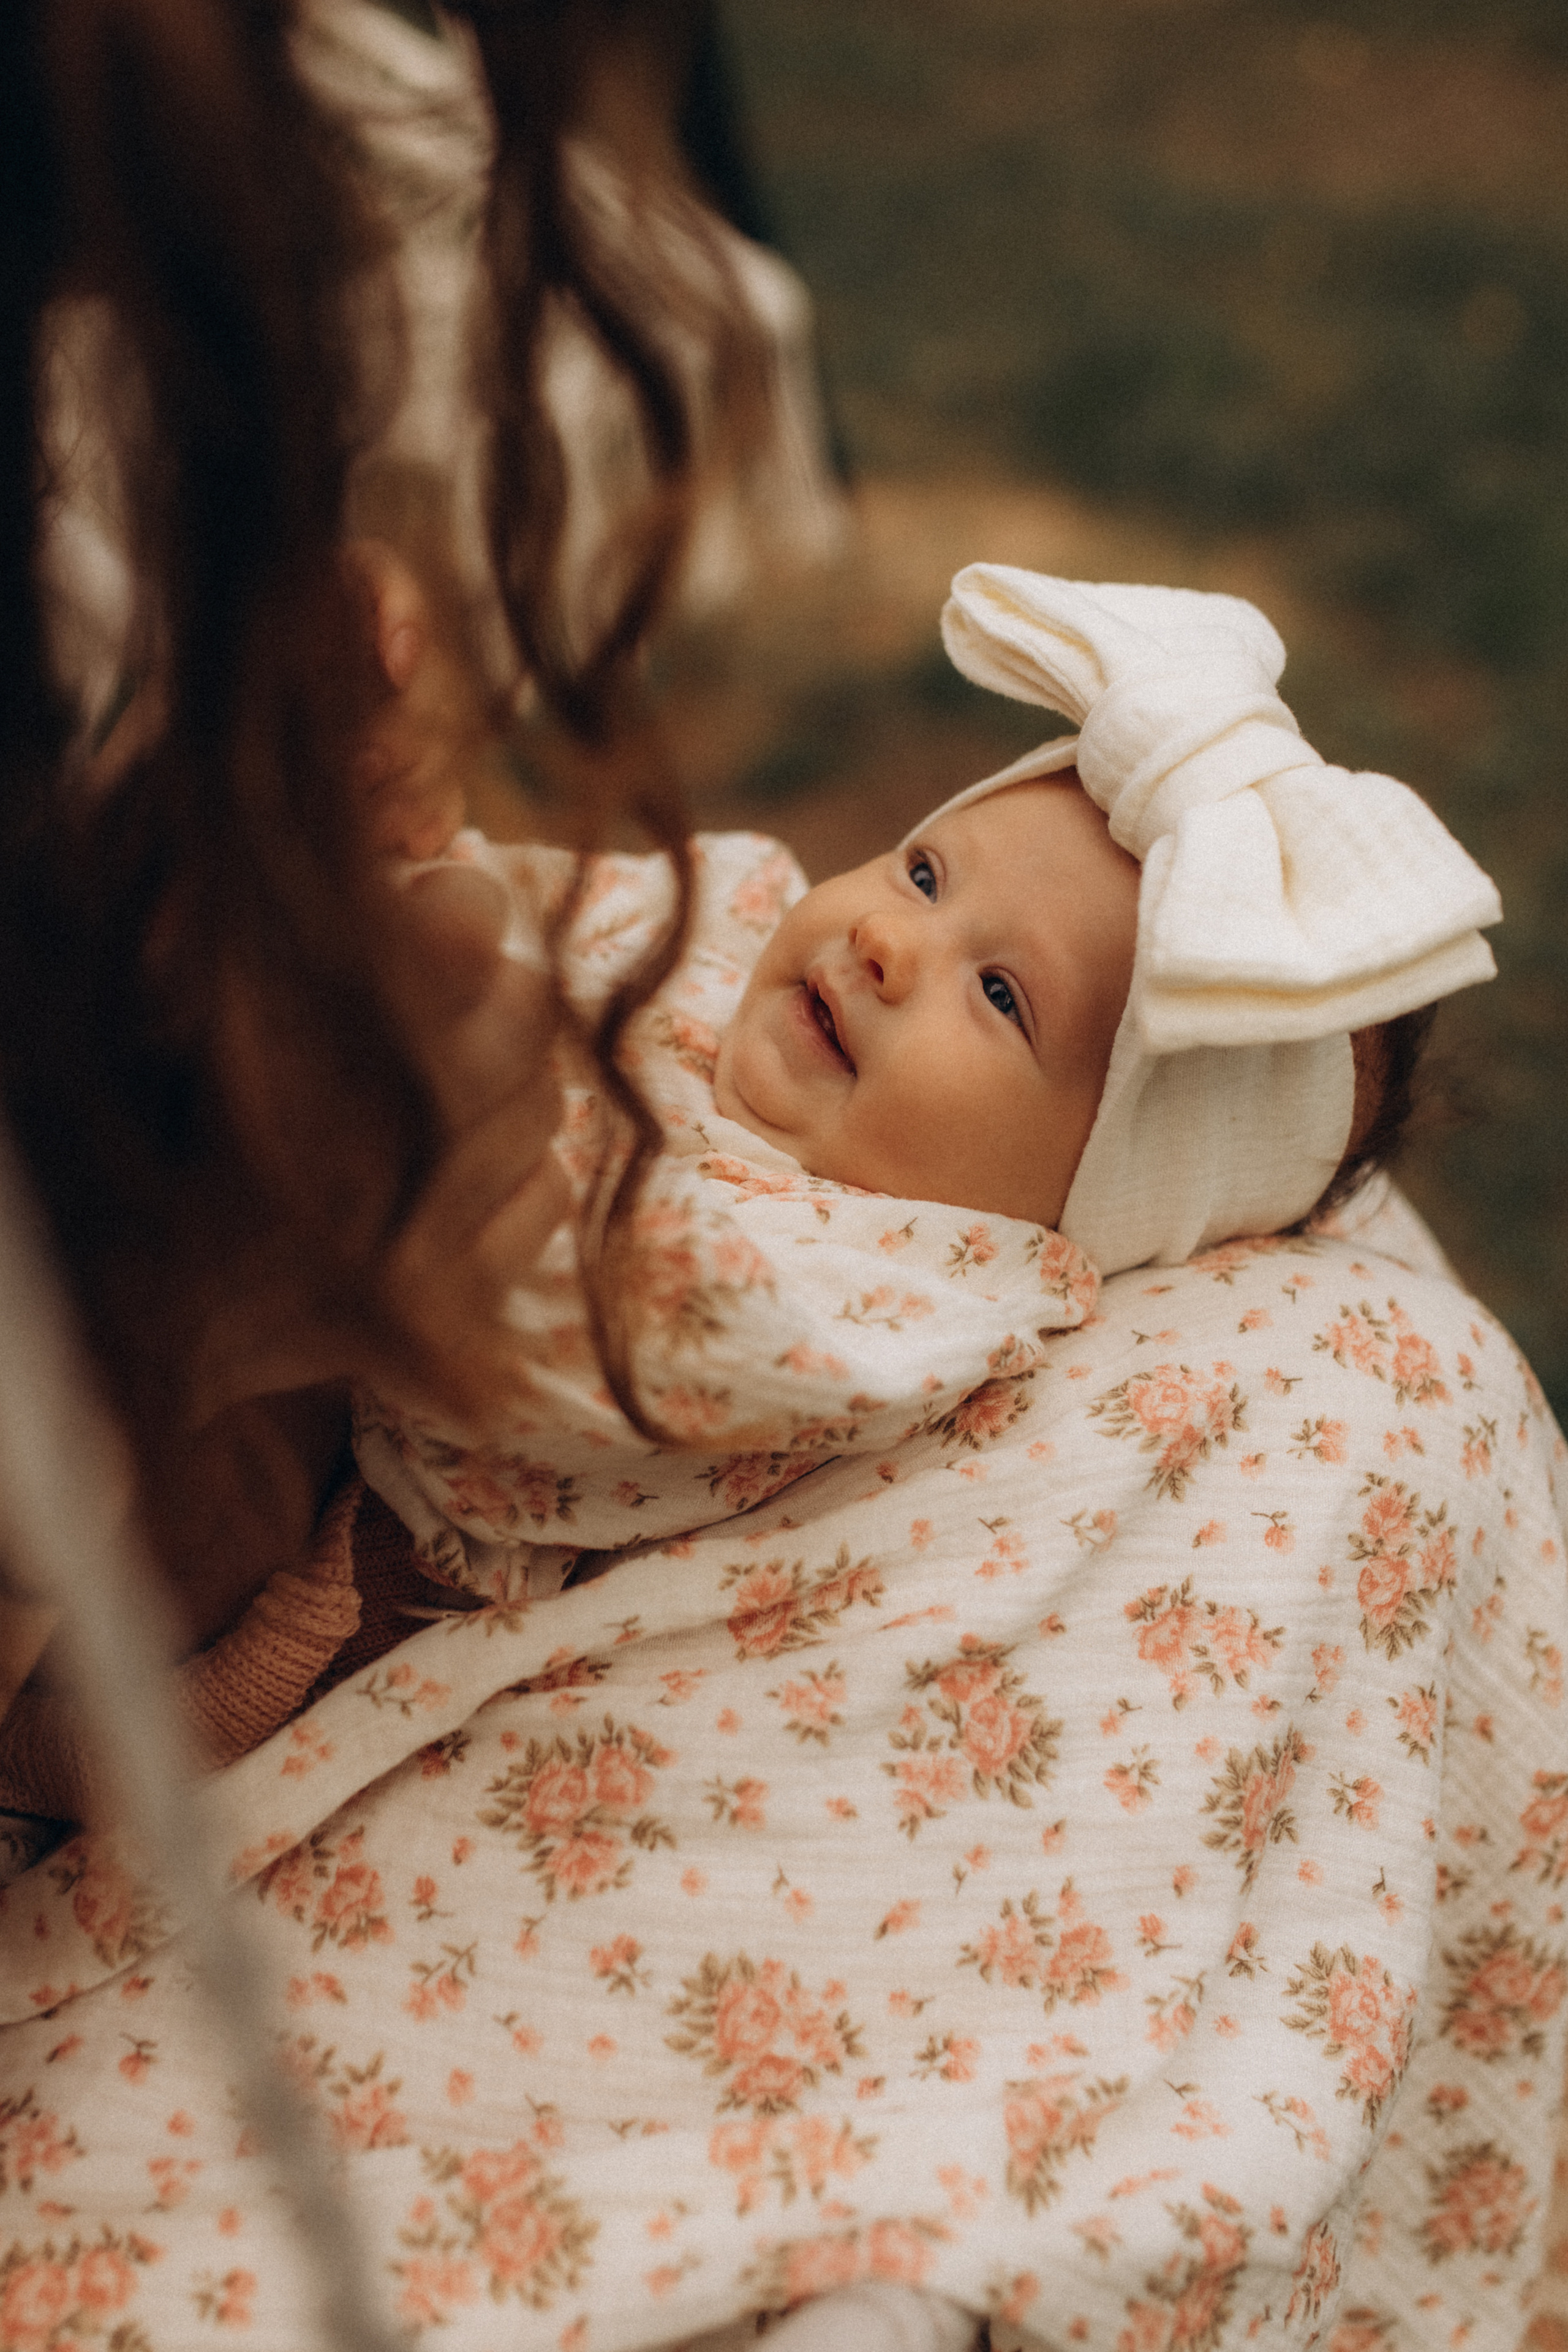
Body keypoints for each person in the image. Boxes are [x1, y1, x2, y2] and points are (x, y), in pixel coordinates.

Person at [350, 559, 1503, 1613]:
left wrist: (416, 1127)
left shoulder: (904, 1292)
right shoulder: (740, 919)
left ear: (1089, 1203)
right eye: (925, 871)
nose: (891, 941)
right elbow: (540, 914)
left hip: (359, 1520)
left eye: (1002, 996)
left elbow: (604, 1342)